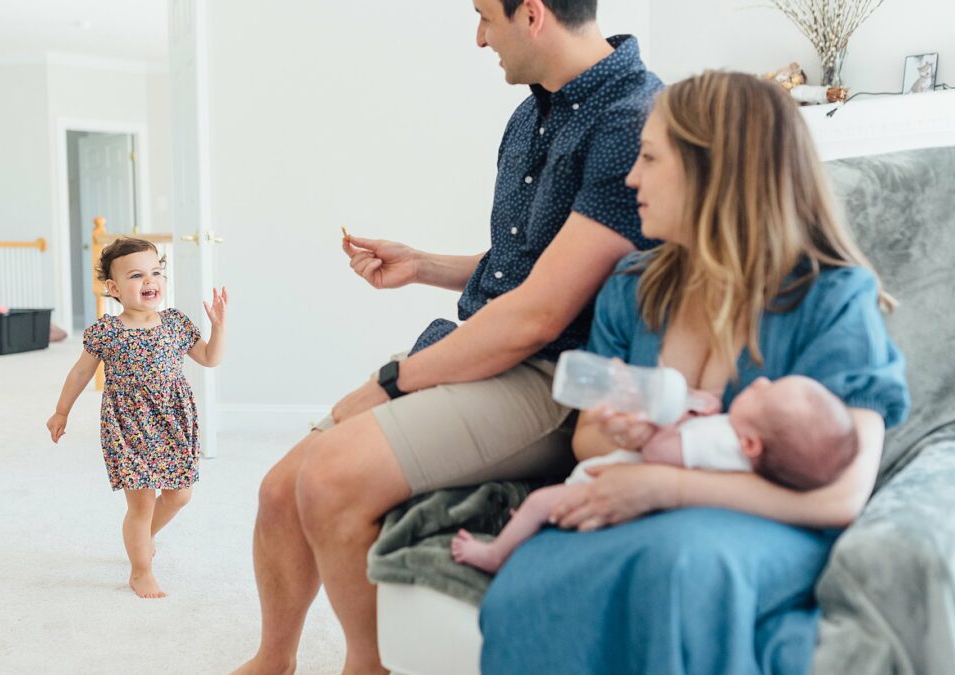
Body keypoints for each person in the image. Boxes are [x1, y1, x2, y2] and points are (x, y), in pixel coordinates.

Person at [234, 1, 662, 672]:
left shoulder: (631, 119)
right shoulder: (531, 112)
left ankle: (368, 665)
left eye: (485, 16)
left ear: (533, 14)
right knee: (277, 489)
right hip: (484, 344)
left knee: (330, 476)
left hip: (552, 375)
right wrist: (424, 266)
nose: (479, 37)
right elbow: (525, 269)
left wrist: (390, 381)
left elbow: (540, 315)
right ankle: (273, 659)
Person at [478, 70, 910, 674]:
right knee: (523, 588)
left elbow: (843, 493)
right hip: (638, 500)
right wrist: (630, 433)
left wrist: (666, 486)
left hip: (763, 520)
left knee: (681, 568)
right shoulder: (633, 286)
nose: (631, 178)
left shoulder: (832, 299)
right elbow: (587, 438)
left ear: (716, 171)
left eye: (650, 158)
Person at [451, 374, 858, 573]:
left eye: (766, 393)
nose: (763, 381)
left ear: (752, 445)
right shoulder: (742, 450)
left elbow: (662, 451)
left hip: (611, 490)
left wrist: (666, 417)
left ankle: (495, 554)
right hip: (629, 498)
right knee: (549, 505)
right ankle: (530, 528)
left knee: (540, 501)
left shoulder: (723, 443)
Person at [45, 237, 228, 599]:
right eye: (136, 275)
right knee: (141, 503)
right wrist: (61, 410)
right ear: (113, 288)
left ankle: (144, 538)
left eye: (156, 272)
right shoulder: (107, 331)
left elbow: (209, 358)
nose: (150, 281)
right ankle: (140, 570)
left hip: (173, 422)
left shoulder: (176, 323)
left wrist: (219, 327)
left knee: (179, 495)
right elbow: (81, 373)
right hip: (127, 426)